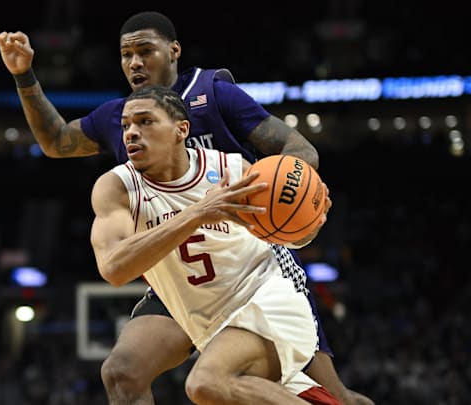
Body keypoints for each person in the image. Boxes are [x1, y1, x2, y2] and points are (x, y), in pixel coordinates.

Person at [0, 10, 373, 405]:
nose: (134, 63)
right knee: (123, 372)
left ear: (173, 51)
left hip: (245, 266)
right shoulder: (119, 118)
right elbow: (55, 141)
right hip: (179, 277)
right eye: (126, 55)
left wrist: (301, 192)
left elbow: (297, 150)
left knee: (331, 395)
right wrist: (25, 76)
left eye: (144, 51)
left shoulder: (213, 92)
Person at [90, 84, 339, 404]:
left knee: (205, 382)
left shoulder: (231, 170)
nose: (131, 133)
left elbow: (289, 235)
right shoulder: (117, 187)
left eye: (145, 122)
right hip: (208, 328)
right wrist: (196, 213)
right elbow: (113, 269)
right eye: (125, 125)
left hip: (267, 301)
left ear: (181, 130)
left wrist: (309, 223)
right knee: (121, 372)